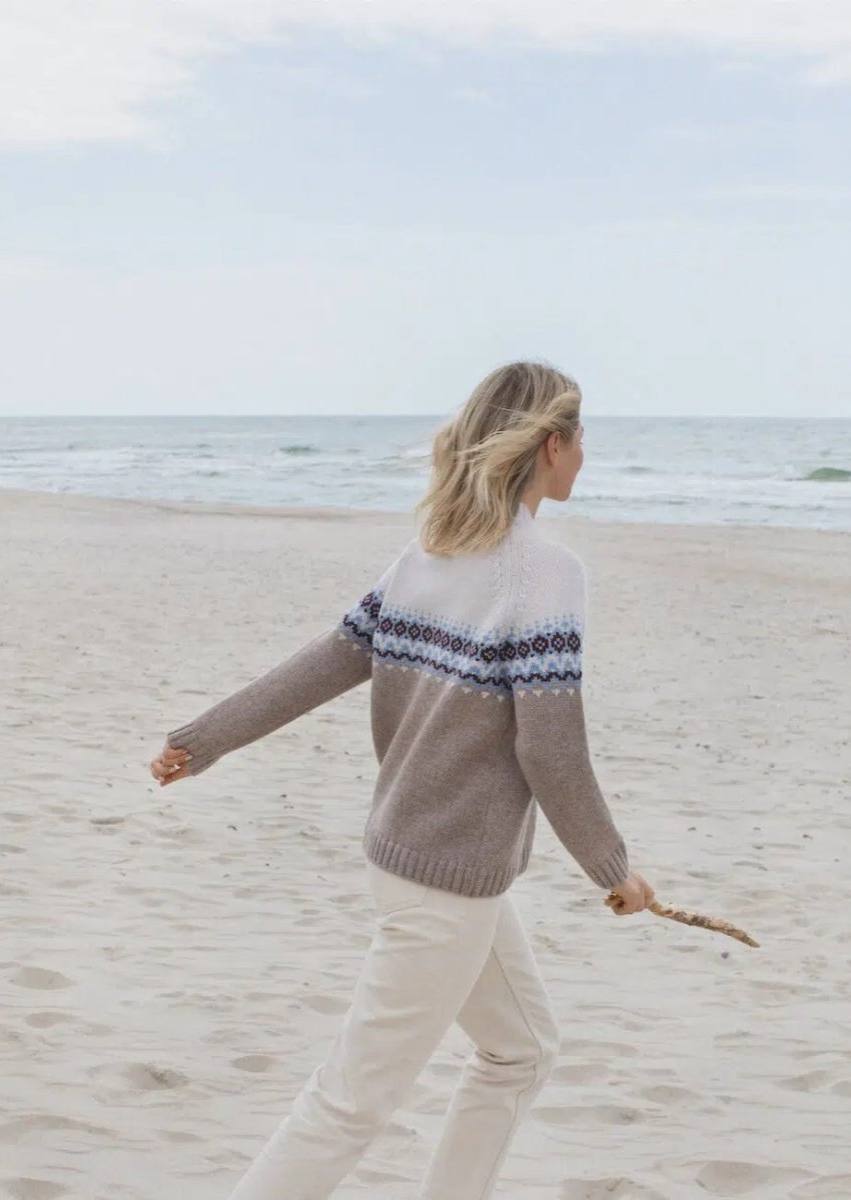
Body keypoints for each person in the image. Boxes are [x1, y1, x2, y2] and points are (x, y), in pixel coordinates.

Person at [149, 359, 655, 1200]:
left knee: (521, 1051)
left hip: (422, 862)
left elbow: (327, 662)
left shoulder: (430, 552)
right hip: (442, 884)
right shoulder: (547, 574)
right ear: (552, 445)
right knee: (351, 1103)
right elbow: (551, 752)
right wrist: (614, 868)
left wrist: (204, 740)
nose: (583, 453)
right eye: (580, 436)